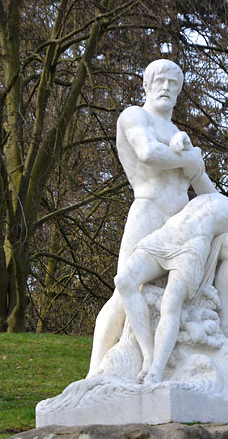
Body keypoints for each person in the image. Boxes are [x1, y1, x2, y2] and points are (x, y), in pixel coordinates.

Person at [87, 59, 220, 378]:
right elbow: (147, 153)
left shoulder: (179, 135)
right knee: (124, 293)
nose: (166, 87)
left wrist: (195, 167)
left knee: (178, 302)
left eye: (174, 84)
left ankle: (166, 366)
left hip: (182, 225)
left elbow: (209, 193)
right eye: (159, 80)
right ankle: (94, 373)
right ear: (146, 85)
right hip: (148, 213)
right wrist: (189, 159)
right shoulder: (136, 116)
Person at [113, 193, 228, 384]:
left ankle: (156, 370)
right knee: (124, 281)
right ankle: (148, 356)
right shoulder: (222, 199)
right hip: (167, 234)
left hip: (193, 245)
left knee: (171, 303)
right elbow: (197, 174)